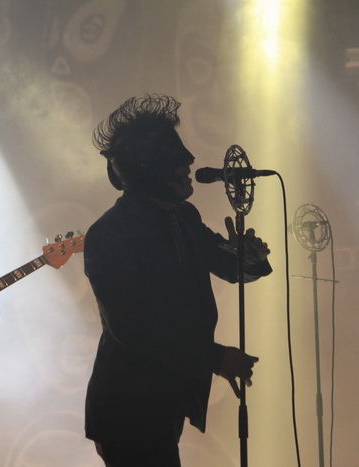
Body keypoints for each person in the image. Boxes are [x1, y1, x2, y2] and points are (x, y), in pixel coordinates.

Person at [83, 95, 272, 466]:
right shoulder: (110, 234)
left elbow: (230, 267)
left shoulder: (183, 217)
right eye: (176, 155)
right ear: (149, 165)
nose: (189, 162)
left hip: (163, 400)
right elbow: (131, 329)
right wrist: (215, 357)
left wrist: (251, 258)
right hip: (128, 407)